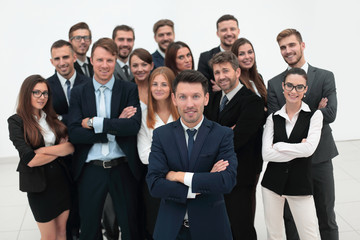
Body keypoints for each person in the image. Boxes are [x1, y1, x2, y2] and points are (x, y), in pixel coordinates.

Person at [146, 70, 237, 240]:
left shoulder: (222, 135)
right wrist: (203, 183)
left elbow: (227, 181)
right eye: (183, 97)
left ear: (206, 98)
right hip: (170, 230)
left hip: (211, 229)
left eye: (195, 96)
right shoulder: (161, 135)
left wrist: (177, 176)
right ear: (174, 99)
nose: (189, 104)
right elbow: (154, 184)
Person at [68, 38, 144, 240]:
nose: (104, 65)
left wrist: (95, 122)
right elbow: (75, 132)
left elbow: (132, 126)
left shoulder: (128, 89)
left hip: (123, 168)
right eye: (100, 60)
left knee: (130, 226)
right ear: (91, 60)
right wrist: (114, 125)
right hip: (90, 169)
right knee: (90, 228)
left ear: (116, 60)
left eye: (110, 60)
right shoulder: (78, 92)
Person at [267, 28, 338, 240]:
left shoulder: (325, 76)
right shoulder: (274, 84)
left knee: (326, 215)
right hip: (290, 162)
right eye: (283, 47)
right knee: (291, 219)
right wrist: (316, 110)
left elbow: (331, 113)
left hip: (320, 158)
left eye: (291, 45)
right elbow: (275, 122)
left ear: (302, 45)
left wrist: (295, 112)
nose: (288, 51)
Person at [205, 51, 264, 240]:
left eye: (225, 71)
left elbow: (237, 140)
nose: (221, 76)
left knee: (241, 227)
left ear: (237, 72)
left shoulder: (252, 101)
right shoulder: (213, 99)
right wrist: (225, 132)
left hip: (240, 175)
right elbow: (204, 132)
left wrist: (217, 134)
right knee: (221, 227)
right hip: (215, 174)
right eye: (217, 72)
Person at [8, 75, 74, 240]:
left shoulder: (52, 118)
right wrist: (57, 150)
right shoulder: (16, 122)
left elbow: (70, 147)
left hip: (61, 181)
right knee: (49, 237)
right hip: (39, 186)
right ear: (26, 93)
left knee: (62, 232)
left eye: (45, 93)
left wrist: (42, 151)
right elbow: (30, 160)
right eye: (36, 92)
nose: (41, 97)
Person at [262, 68, 322, 240]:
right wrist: (298, 149)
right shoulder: (273, 118)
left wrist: (279, 146)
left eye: (299, 87)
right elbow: (266, 154)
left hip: (300, 185)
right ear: (283, 86)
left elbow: (309, 149)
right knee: (274, 235)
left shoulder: (315, 116)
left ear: (305, 89)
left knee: (310, 235)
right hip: (271, 185)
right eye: (289, 85)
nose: (293, 91)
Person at [137, 66, 179, 239]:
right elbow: (144, 155)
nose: (159, 88)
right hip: (156, 182)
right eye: (154, 84)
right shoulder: (144, 115)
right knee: (157, 228)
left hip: (181, 180)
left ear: (172, 87)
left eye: (164, 84)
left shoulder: (183, 113)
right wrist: (173, 160)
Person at [47, 40, 90, 125]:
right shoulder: (46, 86)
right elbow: (47, 118)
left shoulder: (89, 83)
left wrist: (60, 117)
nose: (62, 63)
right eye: (57, 59)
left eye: (65, 57)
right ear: (52, 62)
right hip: (58, 136)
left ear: (74, 58)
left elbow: (91, 115)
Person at [198, 14, 240, 94]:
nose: (229, 33)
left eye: (232, 29)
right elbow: (203, 89)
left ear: (238, 31)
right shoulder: (206, 57)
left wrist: (225, 86)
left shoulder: (245, 56)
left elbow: (250, 81)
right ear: (217, 33)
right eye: (224, 30)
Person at [231, 37, 267, 106]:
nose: (247, 57)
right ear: (235, 57)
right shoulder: (235, 82)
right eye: (241, 54)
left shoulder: (259, 77)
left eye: (250, 52)